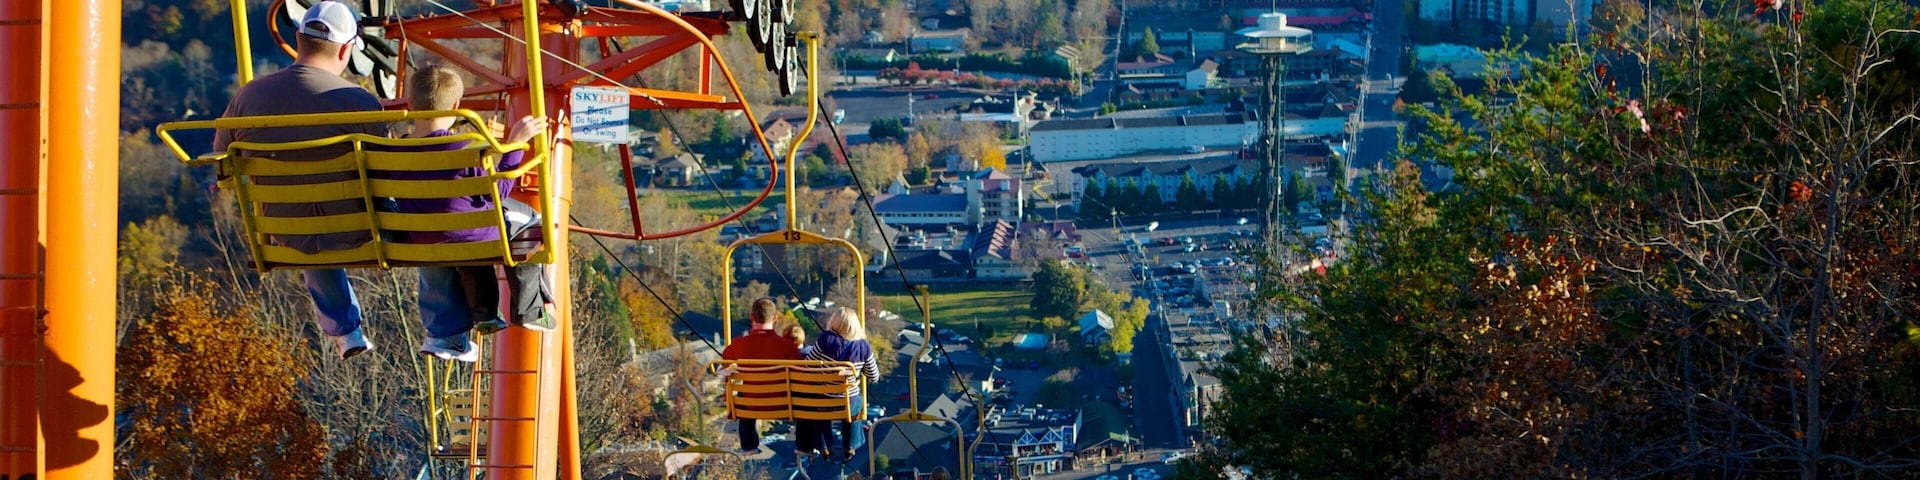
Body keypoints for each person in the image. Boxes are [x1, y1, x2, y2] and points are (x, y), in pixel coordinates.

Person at [211, 0, 387, 359]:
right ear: (345, 49)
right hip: (359, 228)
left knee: (308, 225)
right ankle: (449, 329)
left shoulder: (249, 96)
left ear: (298, 37)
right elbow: (388, 169)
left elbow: (222, 164)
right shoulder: (357, 101)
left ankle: (345, 331)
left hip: (285, 229)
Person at [390, 65, 555, 362]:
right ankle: (530, 309)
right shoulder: (467, 146)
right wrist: (515, 144)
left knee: (459, 233)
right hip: (472, 234)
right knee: (529, 219)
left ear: (410, 104)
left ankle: (474, 318)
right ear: (456, 106)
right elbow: (500, 190)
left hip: (417, 236)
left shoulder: (391, 152)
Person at [720, 297, 802, 456]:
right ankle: (804, 445)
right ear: (775, 318)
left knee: (743, 392)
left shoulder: (737, 345)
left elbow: (725, 362)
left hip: (750, 405)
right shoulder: (787, 346)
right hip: (783, 405)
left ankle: (749, 445)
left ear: (752, 317)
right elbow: (799, 371)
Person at [800, 306, 881, 460]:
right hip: (847, 403)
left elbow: (809, 364)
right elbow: (874, 376)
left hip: (824, 400)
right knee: (857, 403)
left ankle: (824, 446)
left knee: (821, 406)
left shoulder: (826, 340)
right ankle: (850, 445)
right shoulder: (863, 347)